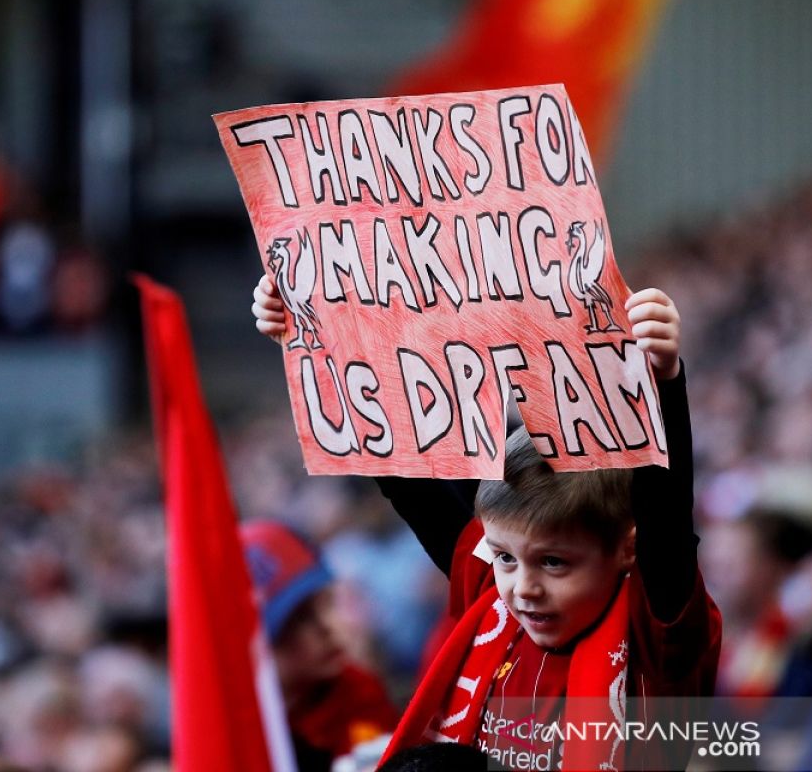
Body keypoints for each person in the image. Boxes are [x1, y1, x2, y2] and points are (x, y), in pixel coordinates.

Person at [252, 274, 723, 770]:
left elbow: (667, 530)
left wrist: (663, 381)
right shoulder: (489, 589)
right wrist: (320, 338)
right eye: (503, 558)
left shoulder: (654, 627)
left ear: (626, 550)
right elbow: (403, 476)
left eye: (554, 563)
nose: (522, 588)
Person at [241, 519, 399, 771]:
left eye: (325, 603)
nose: (328, 626)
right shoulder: (233, 729)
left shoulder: (356, 692)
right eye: (299, 618)